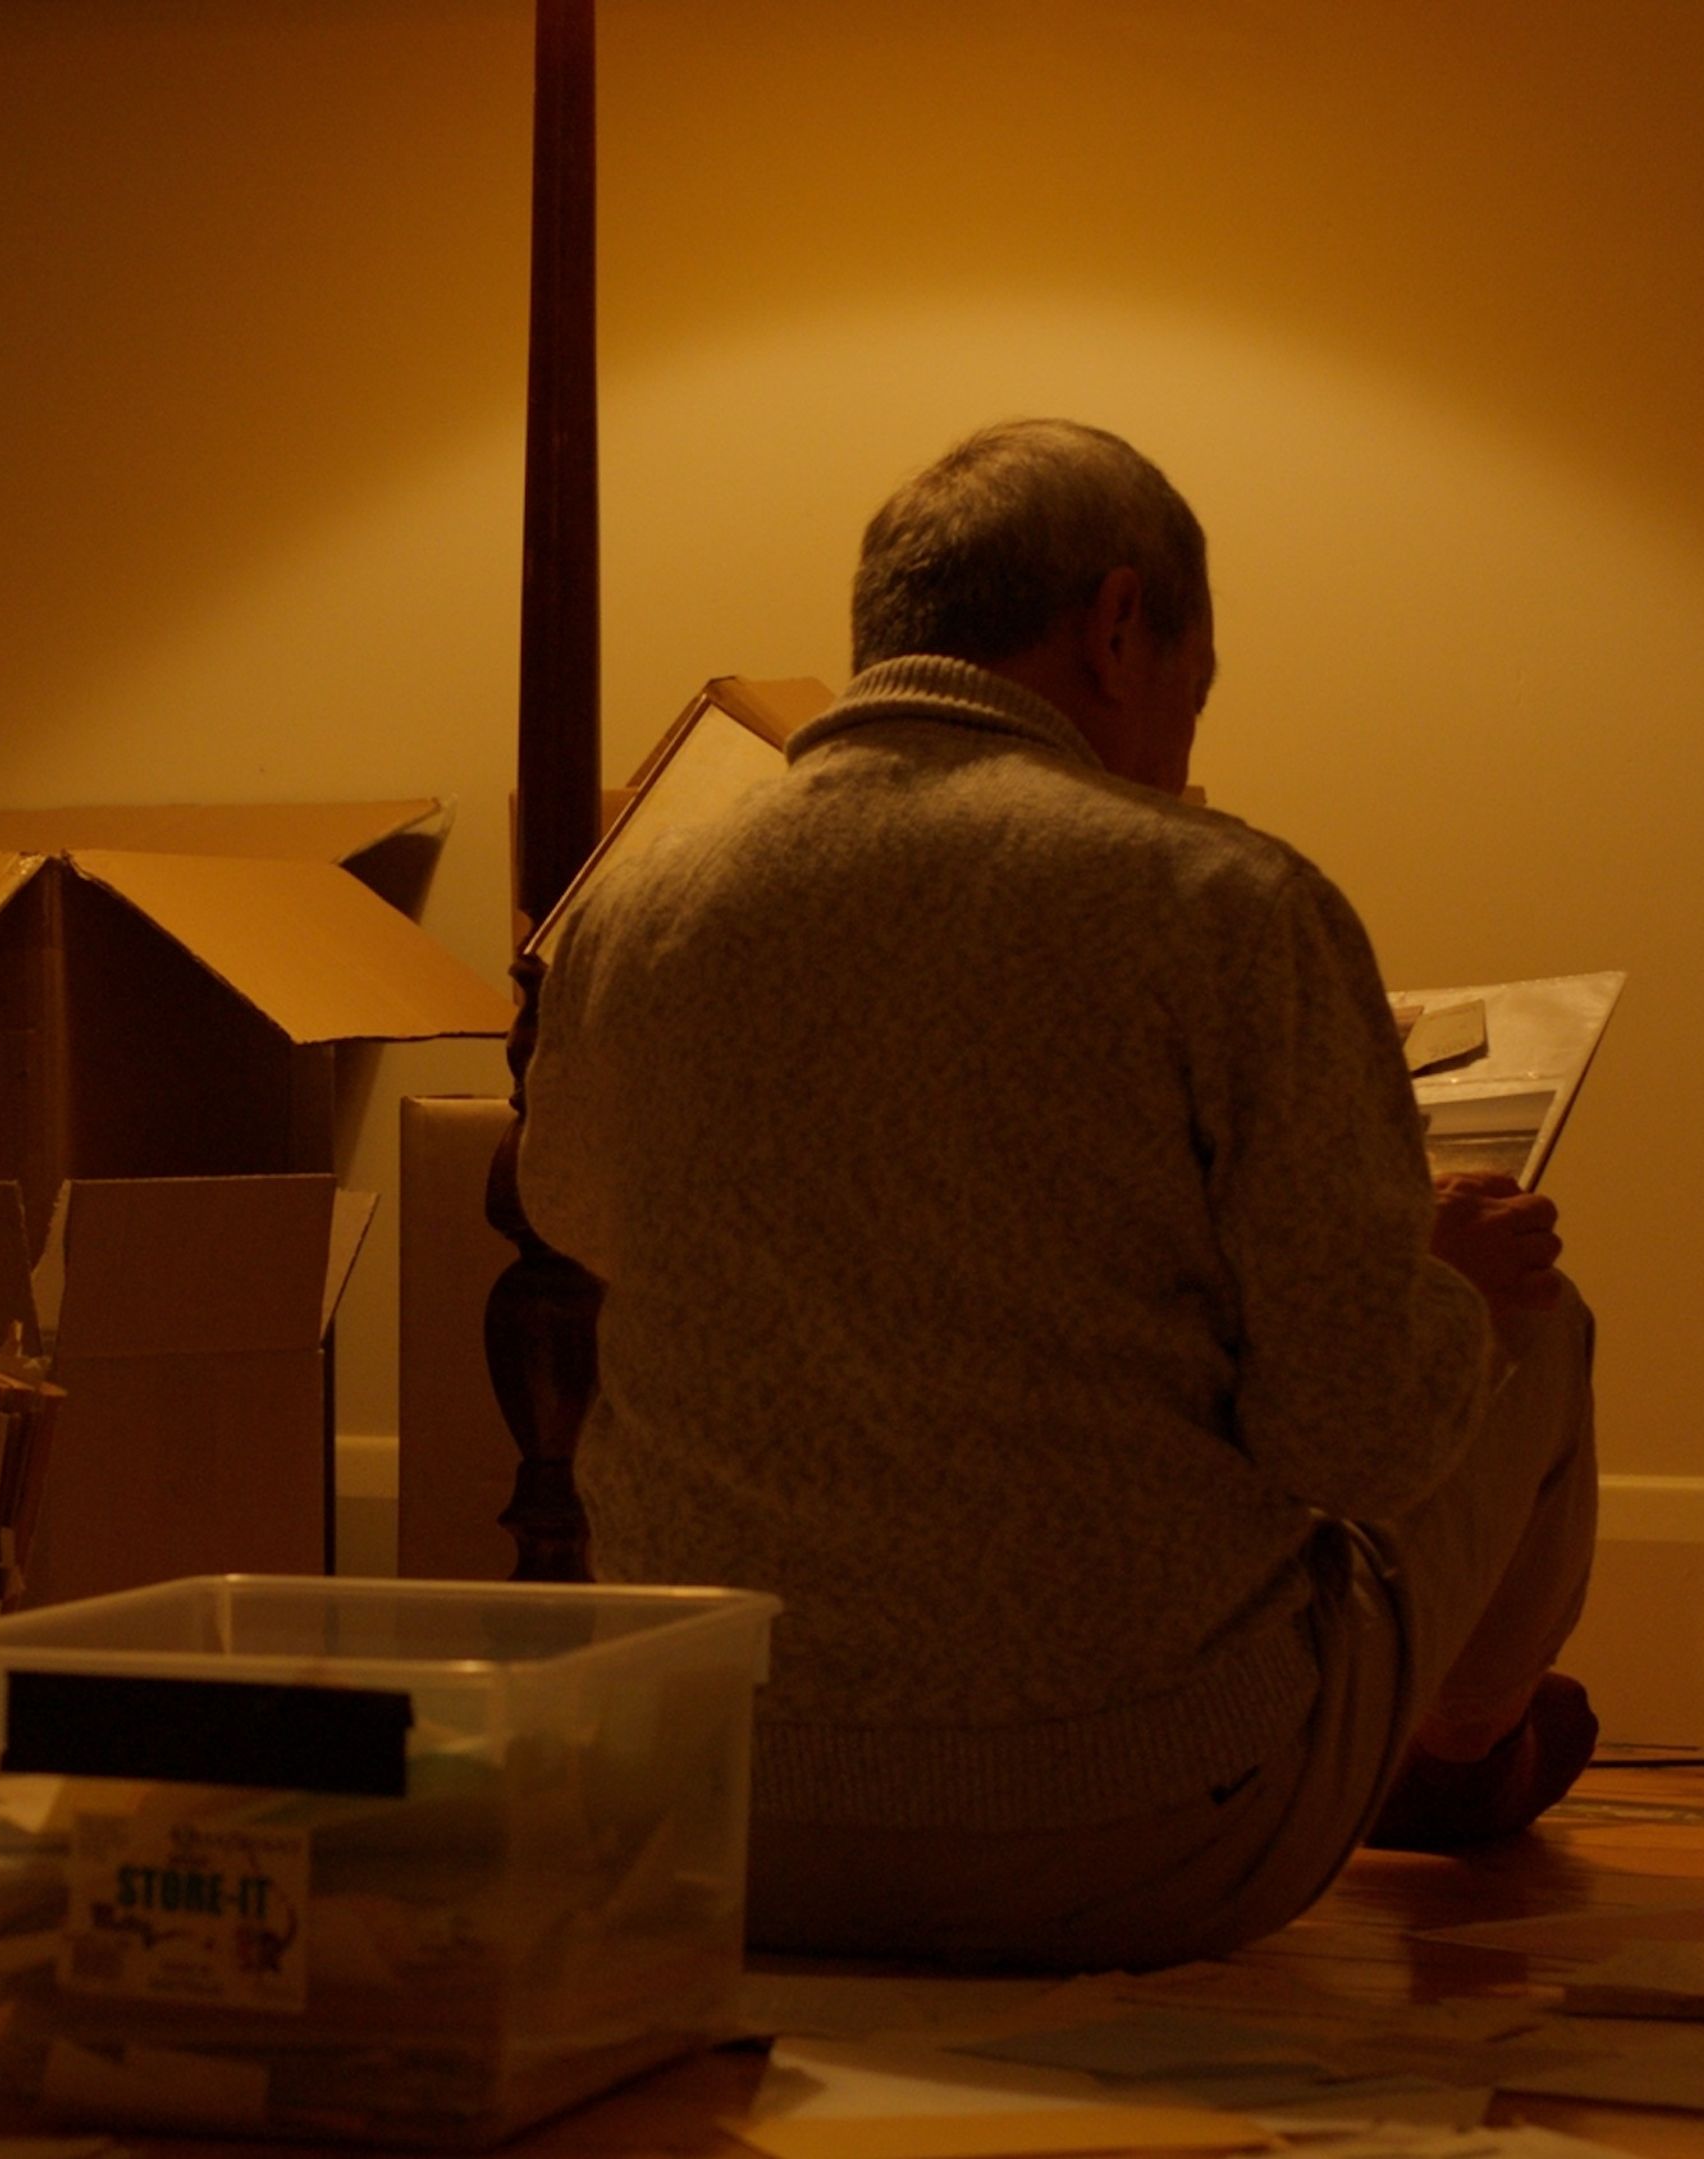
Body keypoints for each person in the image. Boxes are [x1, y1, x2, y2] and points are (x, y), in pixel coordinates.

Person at [517, 418, 1600, 1966]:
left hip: (713, 1818)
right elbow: (1352, 1435)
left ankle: (1439, 1740)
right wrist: (1447, 1297)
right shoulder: (1224, 900)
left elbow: (572, 1210)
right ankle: (1452, 1755)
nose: (1175, 753)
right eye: (1190, 687)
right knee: (1533, 1313)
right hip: (1136, 1830)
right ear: (1115, 625)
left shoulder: (634, 907)